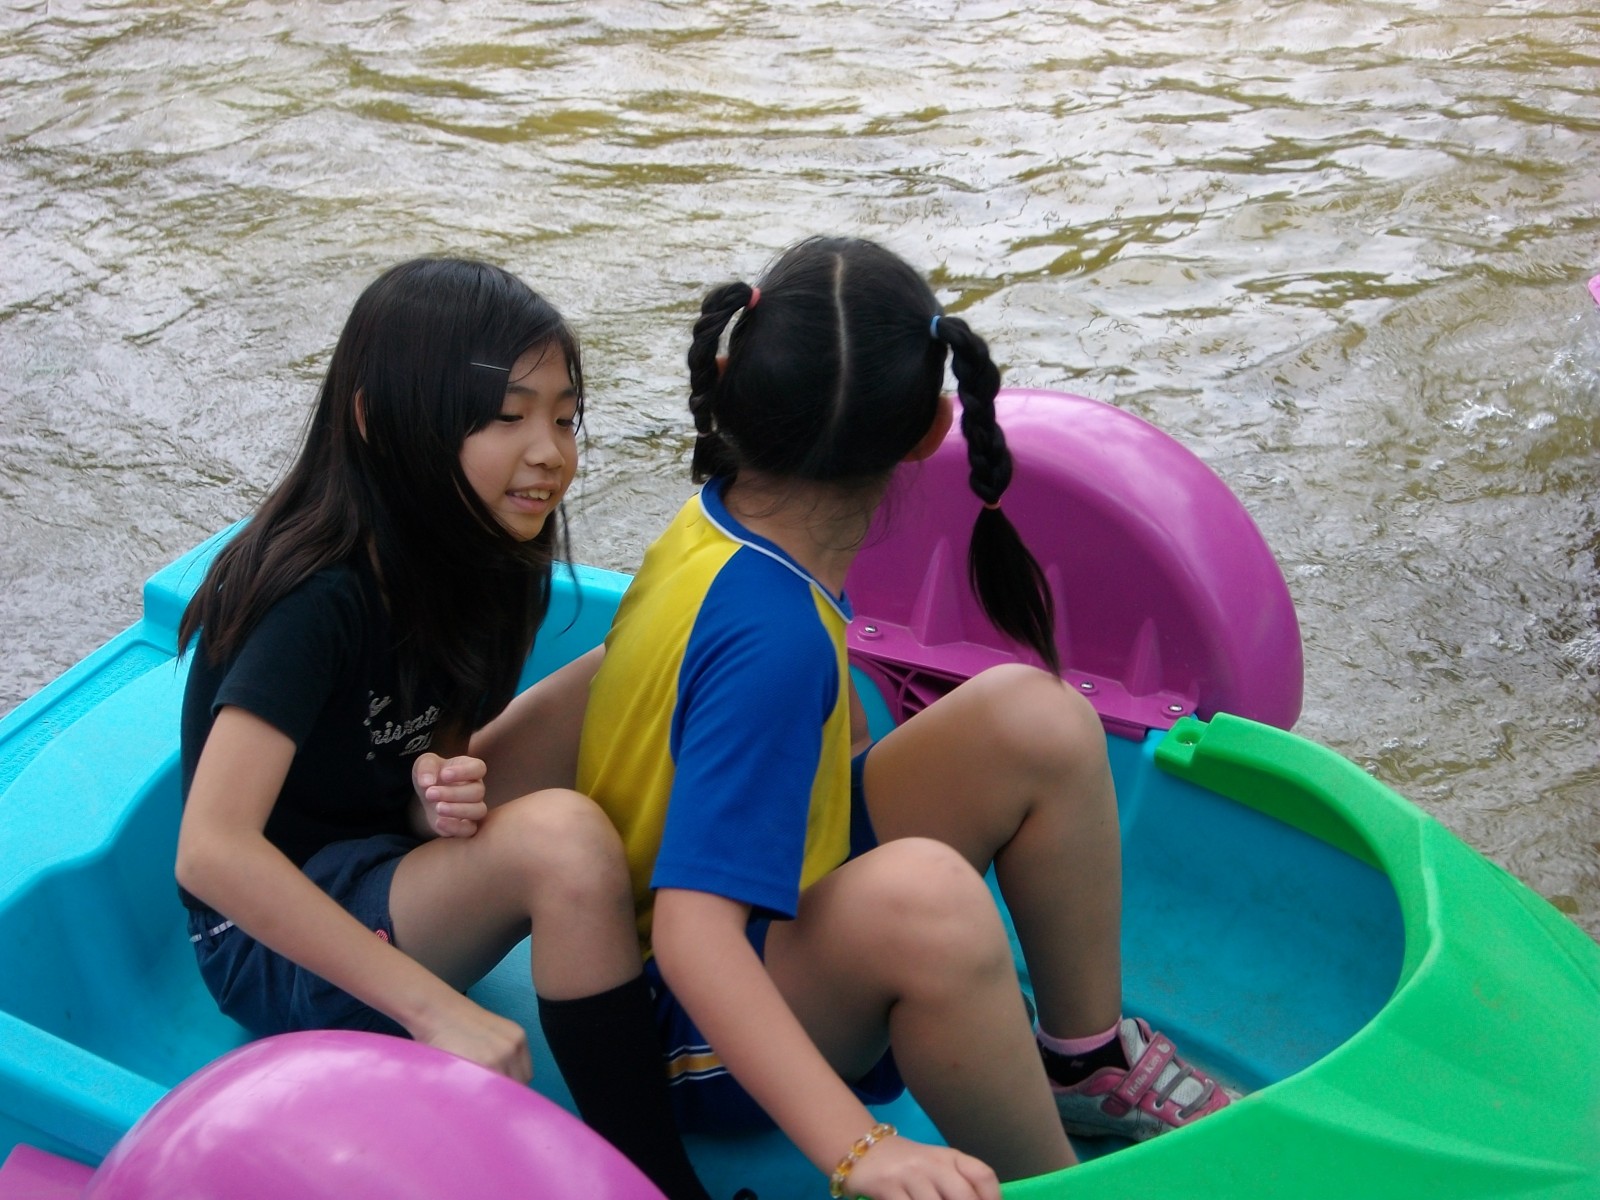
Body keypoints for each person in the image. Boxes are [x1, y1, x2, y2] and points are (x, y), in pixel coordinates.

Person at [576, 237, 1235, 1200]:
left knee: (1036, 718)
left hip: (754, 917)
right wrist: (860, 1150)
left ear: (734, 382)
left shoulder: (717, 527)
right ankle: (1053, 1186)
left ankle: (1083, 1060)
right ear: (932, 430)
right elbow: (692, 934)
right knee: (930, 907)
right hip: (691, 1030)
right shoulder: (774, 637)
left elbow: (606, 683)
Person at [175, 257, 711, 1200]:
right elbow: (211, 851)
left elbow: (432, 755)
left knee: (645, 661)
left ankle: (715, 954)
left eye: (564, 417)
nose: (549, 452)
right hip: (271, 941)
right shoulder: (316, 597)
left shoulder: (488, 557)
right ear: (378, 420)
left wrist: (436, 792)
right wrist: (436, 1011)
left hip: (388, 859)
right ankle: (654, 1180)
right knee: (563, 842)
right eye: (507, 416)